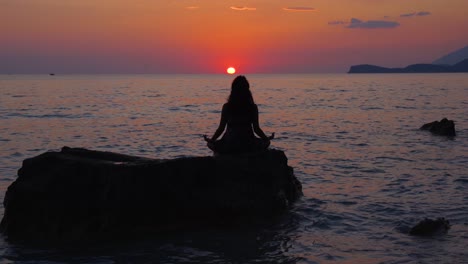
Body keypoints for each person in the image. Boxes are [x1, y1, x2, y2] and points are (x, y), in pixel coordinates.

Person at [204, 75, 274, 154]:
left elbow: (221, 128)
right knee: (266, 143)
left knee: (210, 144)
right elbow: (256, 129)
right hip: (248, 144)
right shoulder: (252, 107)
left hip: (230, 143)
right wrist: (266, 139)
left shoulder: (227, 107)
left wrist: (212, 140)